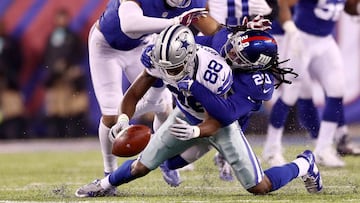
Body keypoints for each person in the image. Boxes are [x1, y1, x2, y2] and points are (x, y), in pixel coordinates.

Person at [75, 24, 322, 197]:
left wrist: (195, 131)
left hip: (221, 125)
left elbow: (222, 116)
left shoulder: (216, 73)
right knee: (147, 164)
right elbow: (134, 92)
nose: (167, 72)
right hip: (186, 114)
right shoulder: (165, 56)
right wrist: (123, 118)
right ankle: (104, 184)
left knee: (259, 187)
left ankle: (304, 164)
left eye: (174, 68)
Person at [87, 0, 223, 188]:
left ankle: (164, 159)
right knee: (111, 118)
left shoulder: (192, 3)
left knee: (163, 105)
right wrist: (175, 22)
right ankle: (109, 170)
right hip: (106, 47)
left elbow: (214, 31)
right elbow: (129, 25)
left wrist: (240, 33)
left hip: (143, 45)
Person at [262, 0, 360, 168]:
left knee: (337, 90)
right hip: (302, 40)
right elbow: (283, 3)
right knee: (291, 93)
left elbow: (348, 6)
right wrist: (291, 30)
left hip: (325, 41)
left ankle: (323, 149)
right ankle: (271, 148)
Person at [202, 0, 278, 181]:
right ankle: (183, 149)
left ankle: (228, 151)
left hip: (245, 47)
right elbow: (196, 10)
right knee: (200, 91)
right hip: (218, 40)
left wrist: (269, 10)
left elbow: (273, 10)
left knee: (245, 96)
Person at [42, 8, 88, 137]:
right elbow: (47, 57)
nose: (61, 21)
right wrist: (53, 68)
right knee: (55, 108)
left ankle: (73, 134)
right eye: (59, 18)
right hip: (55, 78)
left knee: (74, 107)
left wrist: (70, 67)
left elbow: (79, 54)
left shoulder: (73, 37)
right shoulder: (50, 37)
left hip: (70, 77)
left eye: (64, 18)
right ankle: (56, 134)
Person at [0, 19, 27, 139]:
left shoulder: (11, 43)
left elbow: (18, 61)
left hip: (9, 83)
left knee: (13, 111)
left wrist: (8, 74)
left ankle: (12, 135)